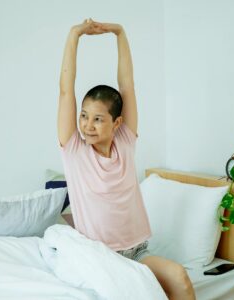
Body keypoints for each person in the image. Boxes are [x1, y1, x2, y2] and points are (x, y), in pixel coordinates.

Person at [57, 18, 195, 300]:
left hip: (138, 251)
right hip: (103, 257)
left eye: (98, 119)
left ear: (117, 122)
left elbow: (127, 85)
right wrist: (74, 35)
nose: (87, 125)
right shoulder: (74, 149)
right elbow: (65, 90)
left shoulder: (125, 142)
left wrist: (119, 33)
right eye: (84, 116)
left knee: (179, 277)